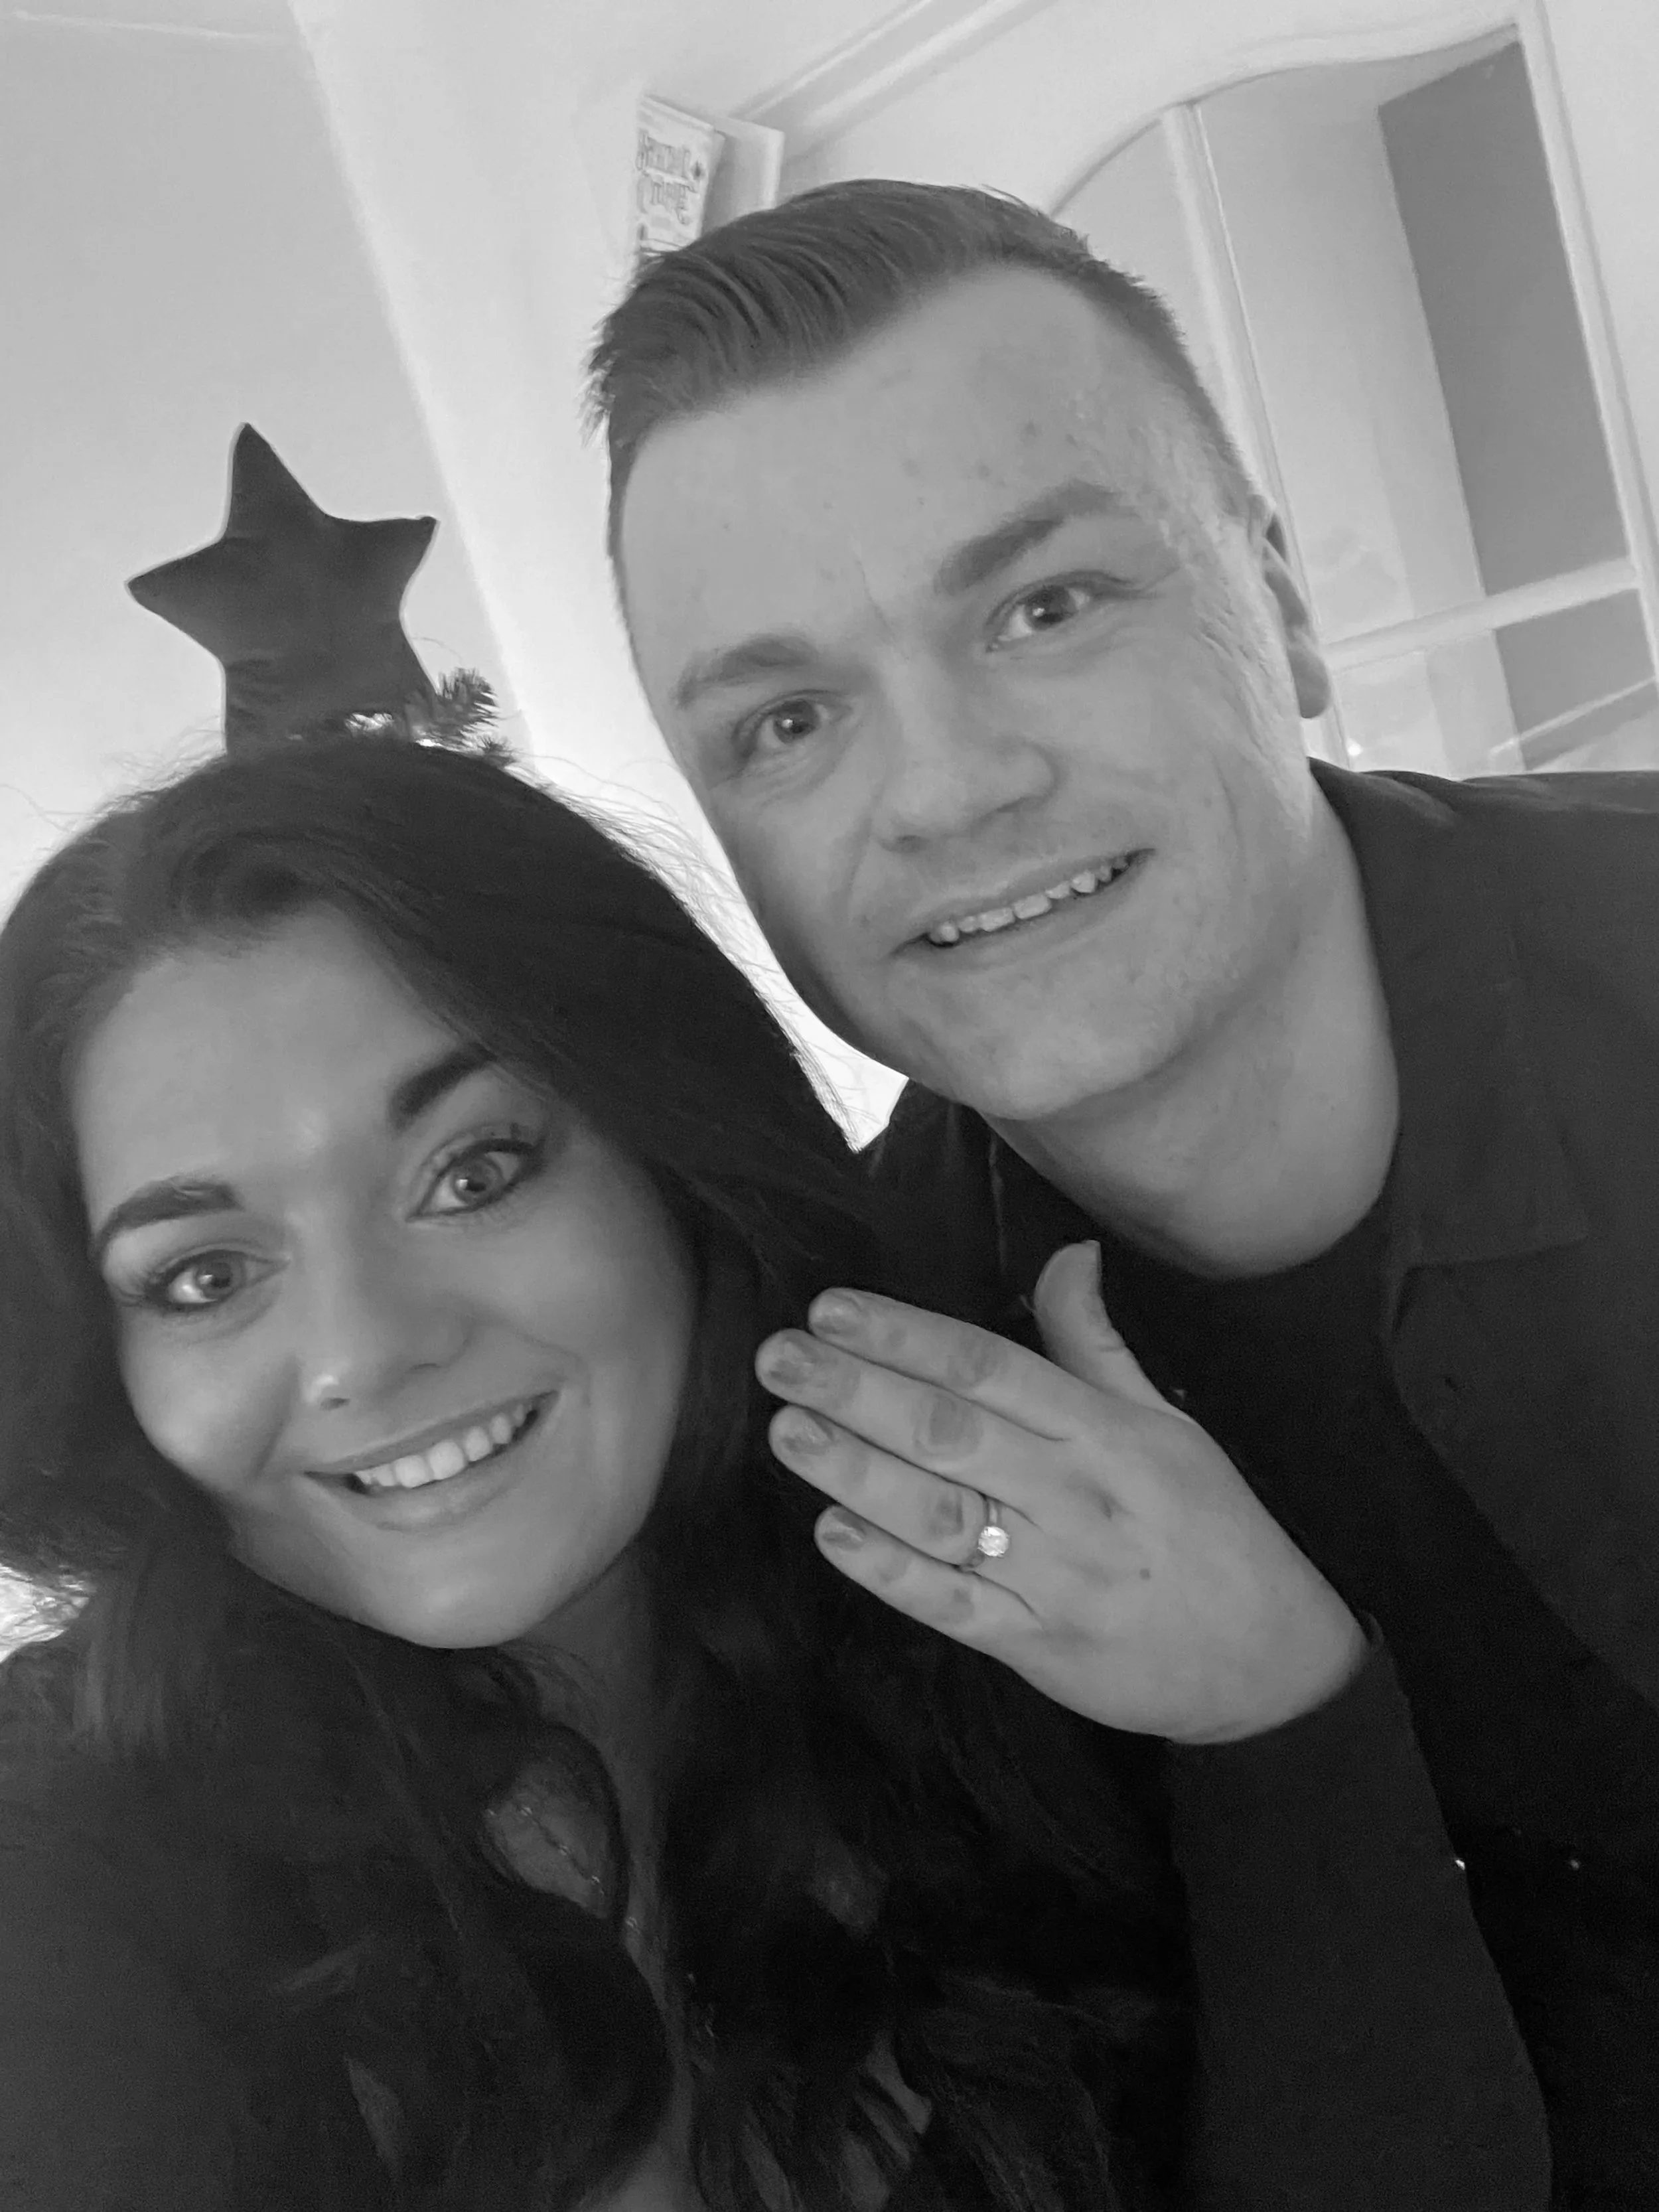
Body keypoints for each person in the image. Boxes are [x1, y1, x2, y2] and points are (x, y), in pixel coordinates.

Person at [0, 729, 1544, 2211]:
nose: (364, 1352)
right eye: (204, 1275)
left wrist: (1275, 1705)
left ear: (672, 1156)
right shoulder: (64, 1878)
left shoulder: (982, 1646)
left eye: (470, 1172)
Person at [589, 177, 1659, 2205]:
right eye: (788, 718)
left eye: (1042, 606)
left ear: (1283, 601)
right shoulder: (847, 1413)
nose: (943, 788)